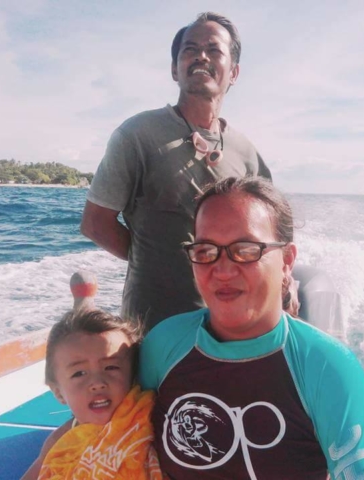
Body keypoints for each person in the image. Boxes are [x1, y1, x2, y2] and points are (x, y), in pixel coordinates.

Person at [139, 177, 364, 479]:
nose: (222, 270)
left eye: (246, 249)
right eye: (206, 250)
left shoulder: (325, 366)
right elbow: (114, 441)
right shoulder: (163, 345)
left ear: (287, 260)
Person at [81, 12, 271, 332]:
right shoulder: (137, 135)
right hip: (153, 326)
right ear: (174, 69)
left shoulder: (248, 154)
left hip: (231, 325)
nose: (201, 56)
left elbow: (269, 235)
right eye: (189, 49)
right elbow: (96, 223)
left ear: (234, 72)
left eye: (214, 50)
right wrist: (156, 261)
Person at [21, 309, 162, 480]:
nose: (97, 383)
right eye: (79, 373)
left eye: (111, 367)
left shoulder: (152, 424)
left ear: (133, 378)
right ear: (58, 392)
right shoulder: (61, 441)